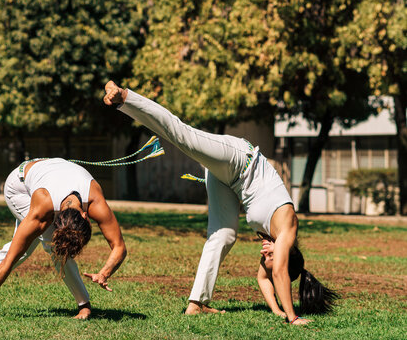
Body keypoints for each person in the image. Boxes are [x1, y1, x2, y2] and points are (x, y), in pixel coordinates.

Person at [103, 81, 337, 325]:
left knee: (224, 235)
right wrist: (292, 317)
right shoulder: (288, 227)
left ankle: (197, 304)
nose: (263, 252)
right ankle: (126, 96)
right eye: (270, 256)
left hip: (228, 183)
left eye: (266, 257)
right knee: (183, 136)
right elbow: (278, 272)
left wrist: (277, 310)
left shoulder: (274, 245)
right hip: (239, 159)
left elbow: (264, 279)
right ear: (285, 253)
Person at [0, 157, 127, 320]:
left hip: (49, 171)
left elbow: (119, 246)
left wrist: (104, 273)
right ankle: (84, 305)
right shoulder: (43, 207)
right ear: (84, 215)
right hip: (20, 186)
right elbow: (11, 257)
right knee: (44, 245)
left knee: (46, 244)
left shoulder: (94, 200)